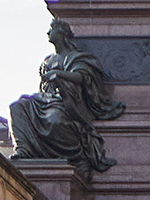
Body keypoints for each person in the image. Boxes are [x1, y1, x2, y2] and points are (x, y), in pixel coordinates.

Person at [9, 18, 125, 176]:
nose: (48, 32)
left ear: (62, 33)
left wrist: (58, 74)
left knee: (54, 119)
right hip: (46, 100)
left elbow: (80, 77)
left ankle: (76, 156)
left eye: (52, 29)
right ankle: (23, 150)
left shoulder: (75, 57)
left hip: (66, 102)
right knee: (17, 106)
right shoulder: (48, 60)